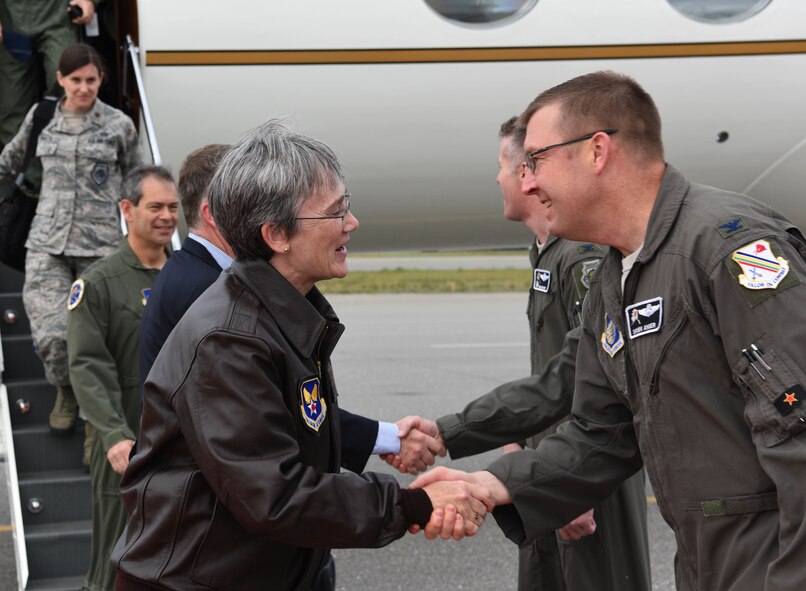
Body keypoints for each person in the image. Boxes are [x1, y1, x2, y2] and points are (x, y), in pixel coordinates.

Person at [415, 71, 806, 590]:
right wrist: (489, 483)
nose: (526, 183)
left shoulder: (727, 249)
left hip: (785, 563)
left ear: (597, 151)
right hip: (709, 560)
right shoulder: (615, 279)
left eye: (535, 161)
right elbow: (600, 435)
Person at [111, 121, 492, 591]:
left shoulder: (283, 314)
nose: (351, 223)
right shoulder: (230, 339)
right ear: (276, 234)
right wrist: (414, 502)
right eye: (335, 212)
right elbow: (274, 494)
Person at [138, 143, 444, 479]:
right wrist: (401, 486)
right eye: (251, 201)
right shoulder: (209, 295)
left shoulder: (213, 279)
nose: (351, 222)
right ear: (216, 213)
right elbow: (269, 477)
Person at [438, 118, 650, 591]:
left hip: (585, 471)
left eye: (501, 166)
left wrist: (576, 487)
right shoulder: (547, 253)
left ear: (526, 174)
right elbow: (553, 370)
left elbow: (603, 377)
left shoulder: (581, 258)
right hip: (544, 466)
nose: (497, 178)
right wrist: (519, 439)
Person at [0, 42, 142, 435]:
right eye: (75, 80)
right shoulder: (42, 115)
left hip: (101, 251)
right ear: (60, 79)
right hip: (47, 245)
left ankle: (98, 417)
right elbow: (9, 161)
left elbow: (138, 181)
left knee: (100, 340)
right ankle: (66, 390)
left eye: (91, 80)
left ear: (101, 80)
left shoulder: (118, 126)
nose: (83, 88)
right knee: (51, 335)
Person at [66, 166, 178, 591]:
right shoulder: (98, 284)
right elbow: (88, 366)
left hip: (179, 442)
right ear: (127, 210)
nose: (167, 216)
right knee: (116, 561)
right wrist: (113, 434)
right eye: (156, 207)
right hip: (124, 445)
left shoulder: (188, 278)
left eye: (173, 207)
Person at [0, 0, 98, 151]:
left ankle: (66, 157)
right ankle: (21, 169)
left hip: (59, 17)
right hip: (11, 19)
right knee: (13, 102)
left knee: (68, 83)